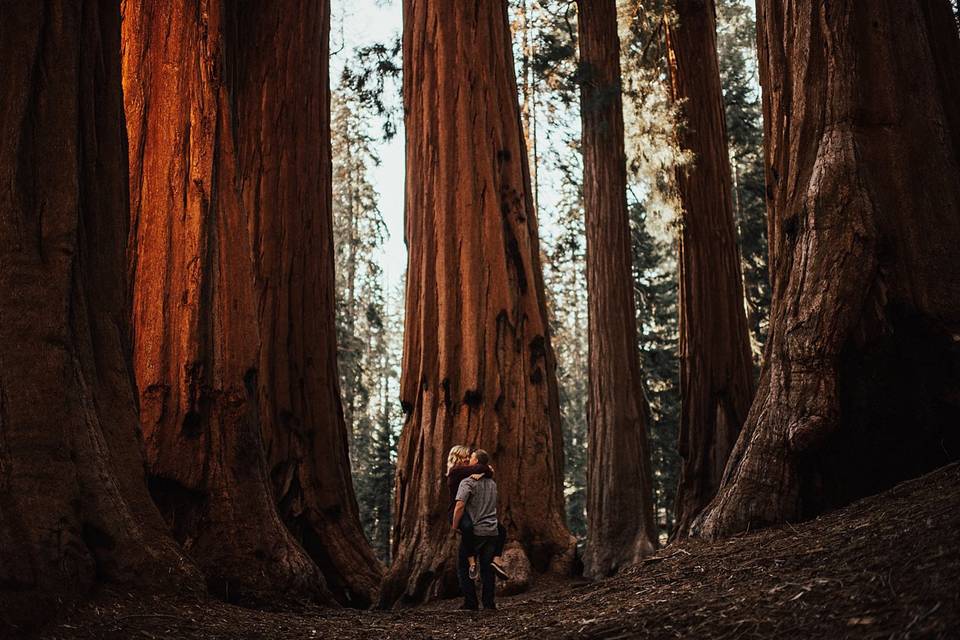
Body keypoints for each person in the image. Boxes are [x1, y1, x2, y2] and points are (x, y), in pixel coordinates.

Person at [451, 449, 502, 611]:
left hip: (475, 532)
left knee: (463, 566)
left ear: (476, 462)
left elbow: (459, 506)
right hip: (492, 531)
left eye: (471, 457)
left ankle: (470, 603)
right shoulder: (492, 483)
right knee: (487, 569)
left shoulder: (467, 482)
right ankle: (489, 604)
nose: (469, 460)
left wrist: (454, 526)